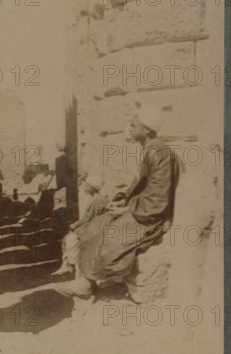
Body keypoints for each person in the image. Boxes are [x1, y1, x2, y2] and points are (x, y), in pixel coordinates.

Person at [52, 106, 182, 298]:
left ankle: (88, 283)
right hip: (141, 211)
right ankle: (85, 279)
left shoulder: (158, 152)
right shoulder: (150, 149)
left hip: (150, 219)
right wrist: (122, 203)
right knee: (94, 227)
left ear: (146, 130)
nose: (130, 128)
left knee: (108, 236)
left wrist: (128, 209)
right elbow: (141, 188)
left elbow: (157, 200)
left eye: (134, 125)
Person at [51, 172, 109, 277]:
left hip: (96, 227)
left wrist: (75, 225)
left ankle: (72, 265)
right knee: (69, 236)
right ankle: (67, 264)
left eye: (87, 186)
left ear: (93, 188)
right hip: (94, 225)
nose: (84, 187)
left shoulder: (98, 200)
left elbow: (88, 218)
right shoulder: (95, 198)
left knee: (71, 238)